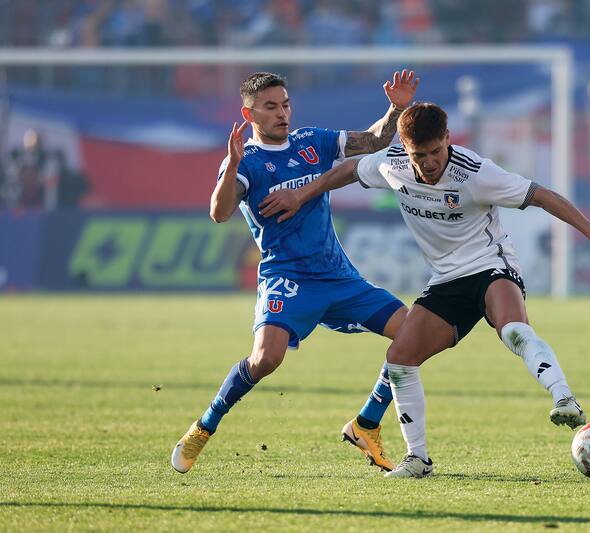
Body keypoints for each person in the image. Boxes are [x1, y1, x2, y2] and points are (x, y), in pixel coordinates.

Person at [259, 102, 590, 478]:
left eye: (437, 151)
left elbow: (542, 195)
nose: (432, 161)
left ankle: (564, 398)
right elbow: (350, 170)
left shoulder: (476, 172)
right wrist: (300, 195)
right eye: (422, 154)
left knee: (514, 331)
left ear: (448, 140)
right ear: (405, 148)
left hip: (491, 266)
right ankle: (417, 458)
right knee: (400, 357)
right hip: (446, 282)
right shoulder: (393, 164)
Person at [171, 70, 420, 474]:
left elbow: (374, 140)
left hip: (337, 276)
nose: (282, 113)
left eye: (285, 104)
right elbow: (219, 213)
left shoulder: (312, 141)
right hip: (287, 277)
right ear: (248, 113)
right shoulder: (247, 162)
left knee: (414, 333)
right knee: (266, 360)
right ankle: (204, 426)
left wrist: (396, 107)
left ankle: (366, 424)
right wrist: (231, 165)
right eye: (270, 107)